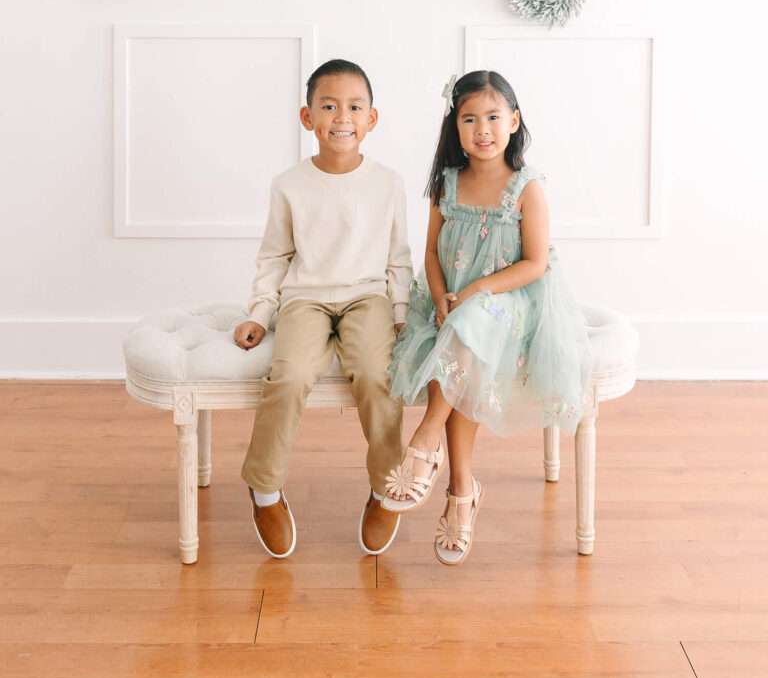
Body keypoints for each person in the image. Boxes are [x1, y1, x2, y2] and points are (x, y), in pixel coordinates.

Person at [383, 70, 592, 565]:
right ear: (454, 127)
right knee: (459, 337)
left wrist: (476, 289)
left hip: (511, 302)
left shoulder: (527, 187)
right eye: (469, 118)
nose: (483, 129)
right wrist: (439, 295)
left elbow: (534, 263)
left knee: (471, 327)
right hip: (451, 302)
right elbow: (432, 252)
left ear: (514, 121)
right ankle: (461, 491)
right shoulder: (447, 183)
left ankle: (425, 443)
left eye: (494, 117)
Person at [235, 59, 413, 559]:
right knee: (288, 377)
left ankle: (386, 487)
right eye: (328, 106)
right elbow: (275, 257)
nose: (342, 117)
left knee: (379, 376)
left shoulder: (389, 183)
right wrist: (258, 312)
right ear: (306, 116)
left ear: (372, 119)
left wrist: (400, 312)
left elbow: (398, 258)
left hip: (368, 296)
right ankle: (265, 490)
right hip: (305, 298)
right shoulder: (288, 184)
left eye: (355, 107)